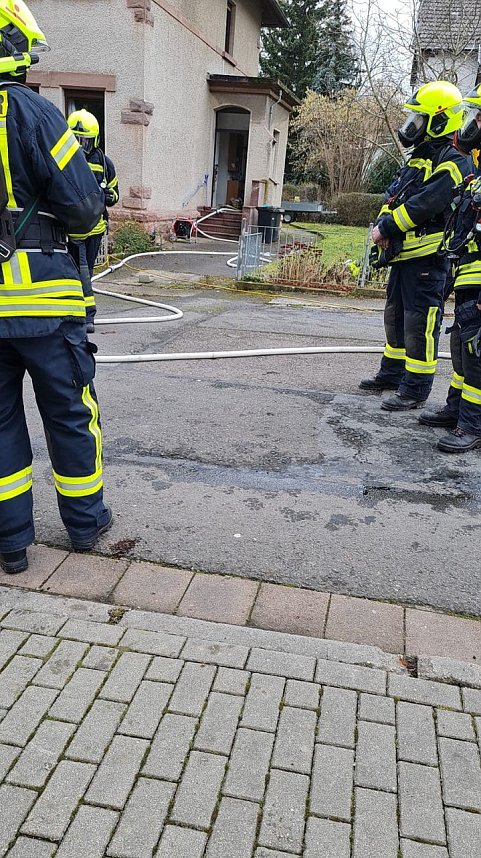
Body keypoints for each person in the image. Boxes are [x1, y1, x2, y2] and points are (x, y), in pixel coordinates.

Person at [0, 0, 112, 574]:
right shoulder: (37, 115)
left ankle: (11, 543)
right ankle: (87, 527)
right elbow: (86, 207)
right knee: (69, 411)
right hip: (45, 301)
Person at [360, 81, 470, 411]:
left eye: (419, 119)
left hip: (428, 261)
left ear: (440, 120)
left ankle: (416, 387)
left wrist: (388, 226)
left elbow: (425, 205)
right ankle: (392, 373)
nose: (412, 126)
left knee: (420, 323)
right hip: (404, 257)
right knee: (395, 318)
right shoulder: (419, 157)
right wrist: (383, 225)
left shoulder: (454, 163)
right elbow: (393, 195)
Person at [419, 86, 481, 452]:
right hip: (471, 281)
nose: (471, 123)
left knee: (476, 357)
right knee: (462, 348)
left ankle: (472, 426)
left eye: (478, 117)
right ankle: (457, 411)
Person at [67, 109, 119, 333]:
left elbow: (116, 193)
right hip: (70, 230)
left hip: (95, 229)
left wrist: (108, 196)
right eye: (76, 139)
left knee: (84, 271)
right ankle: (87, 315)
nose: (81, 146)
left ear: (95, 140)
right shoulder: (65, 159)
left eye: (85, 141)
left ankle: (82, 314)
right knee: (80, 272)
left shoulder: (105, 164)